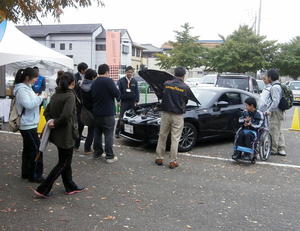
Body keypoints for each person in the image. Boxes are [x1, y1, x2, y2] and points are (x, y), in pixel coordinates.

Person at [34, 72, 84, 198]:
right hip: (66, 134)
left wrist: (52, 122)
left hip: (57, 134)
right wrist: (55, 122)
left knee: (65, 161)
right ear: (73, 82)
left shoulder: (56, 94)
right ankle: (43, 189)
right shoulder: (69, 96)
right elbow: (67, 115)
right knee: (64, 162)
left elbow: (47, 112)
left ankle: (70, 186)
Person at [13, 67, 47, 183]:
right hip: (26, 124)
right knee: (36, 150)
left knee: (29, 149)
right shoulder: (22, 89)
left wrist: (38, 97)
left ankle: (26, 173)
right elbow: (28, 104)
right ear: (27, 78)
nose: (36, 80)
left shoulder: (26, 88)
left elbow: (29, 103)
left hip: (29, 123)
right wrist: (41, 97)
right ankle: (35, 175)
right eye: (35, 77)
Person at [155, 67, 191, 169]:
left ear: (174, 74)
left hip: (165, 113)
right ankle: (172, 161)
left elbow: (162, 95)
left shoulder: (167, 84)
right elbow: (186, 101)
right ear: (184, 75)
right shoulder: (185, 87)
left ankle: (159, 158)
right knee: (175, 138)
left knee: (162, 136)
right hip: (177, 115)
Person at [90, 64, 120, 163]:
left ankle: (97, 153)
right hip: (107, 112)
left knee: (97, 134)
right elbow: (117, 93)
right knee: (108, 134)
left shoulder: (94, 82)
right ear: (107, 72)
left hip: (96, 112)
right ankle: (109, 156)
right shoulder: (109, 81)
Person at [266, 69, 287, 156]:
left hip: (276, 111)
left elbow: (275, 101)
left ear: (270, 77)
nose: (267, 78)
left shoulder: (274, 87)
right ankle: (281, 148)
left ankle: (273, 149)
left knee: (274, 130)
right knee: (279, 129)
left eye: (267, 76)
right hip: (280, 110)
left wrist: (269, 110)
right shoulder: (279, 85)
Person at [115, 66, 139, 138]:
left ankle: (131, 133)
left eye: (131, 72)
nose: (130, 73)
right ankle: (117, 132)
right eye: (128, 72)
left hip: (132, 102)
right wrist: (118, 100)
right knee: (121, 117)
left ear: (133, 73)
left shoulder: (134, 81)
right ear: (125, 72)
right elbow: (118, 91)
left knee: (132, 117)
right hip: (124, 101)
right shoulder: (121, 81)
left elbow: (137, 91)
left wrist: (137, 100)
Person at [80, 69, 97, 155]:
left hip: (84, 110)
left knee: (86, 129)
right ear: (93, 77)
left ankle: (83, 147)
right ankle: (87, 149)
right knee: (92, 131)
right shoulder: (94, 86)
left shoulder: (82, 84)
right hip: (92, 111)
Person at [74, 62, 88, 152]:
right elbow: (74, 89)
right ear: (82, 70)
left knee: (81, 123)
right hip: (77, 104)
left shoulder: (87, 77)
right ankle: (76, 144)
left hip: (84, 104)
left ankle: (77, 142)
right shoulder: (75, 77)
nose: (87, 70)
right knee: (77, 123)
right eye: (86, 69)